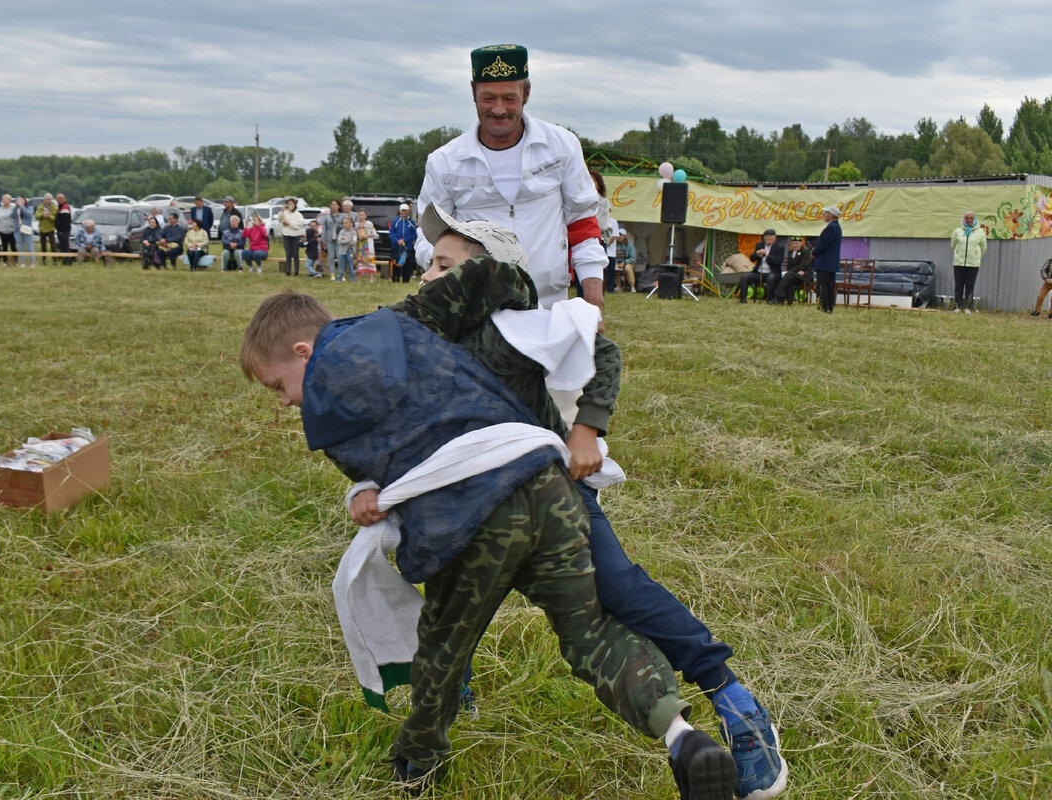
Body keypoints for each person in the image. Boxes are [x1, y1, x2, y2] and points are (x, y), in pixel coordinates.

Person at [240, 288, 737, 800]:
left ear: (305, 352)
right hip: (546, 484)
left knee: (441, 652)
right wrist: (365, 488)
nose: (285, 401)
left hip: (472, 516)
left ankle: (417, 764)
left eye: (278, 386)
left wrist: (366, 490)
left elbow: (393, 460)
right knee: (589, 629)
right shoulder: (409, 332)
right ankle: (680, 735)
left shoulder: (328, 388)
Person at [400, 206, 787, 800]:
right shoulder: (425, 335)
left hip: (553, 494)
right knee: (448, 605)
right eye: (431, 263)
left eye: (445, 265)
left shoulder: (520, 327)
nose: (430, 275)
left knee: (618, 589)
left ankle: (733, 699)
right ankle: (455, 695)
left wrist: (588, 429)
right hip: (472, 504)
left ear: (486, 276)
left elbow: (603, 355)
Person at [415, 44, 608, 313]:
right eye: (487, 98)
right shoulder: (444, 161)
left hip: (551, 304)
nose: (498, 109)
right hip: (476, 309)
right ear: (473, 93)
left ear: (526, 93)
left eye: (509, 98)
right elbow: (427, 234)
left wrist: (593, 300)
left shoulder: (562, 146)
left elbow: (583, 224)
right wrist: (448, 271)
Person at [950, 211, 987, 313]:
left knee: (970, 285)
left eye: (971, 218)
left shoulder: (980, 232)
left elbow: (983, 247)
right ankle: (958, 306)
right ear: (964, 219)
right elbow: (953, 245)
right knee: (959, 285)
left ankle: (967, 307)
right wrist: (959, 254)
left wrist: (976, 256)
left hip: (973, 264)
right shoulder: (957, 231)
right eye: (967, 218)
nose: (969, 220)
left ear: (974, 219)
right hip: (959, 263)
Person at [811, 205, 843, 313]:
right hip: (830, 263)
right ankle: (829, 306)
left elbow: (824, 244)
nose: (824, 215)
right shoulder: (836, 227)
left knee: (822, 286)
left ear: (831, 215)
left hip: (825, 262)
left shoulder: (831, 227)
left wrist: (814, 252)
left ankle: (823, 307)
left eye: (825, 213)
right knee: (829, 286)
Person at [739, 229, 783, 303]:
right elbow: (752, 258)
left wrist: (767, 255)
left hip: (772, 273)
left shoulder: (779, 247)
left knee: (771, 278)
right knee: (744, 277)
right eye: (766, 236)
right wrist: (757, 253)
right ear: (764, 237)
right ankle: (743, 299)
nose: (768, 238)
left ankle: (769, 299)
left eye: (770, 236)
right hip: (759, 272)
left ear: (775, 237)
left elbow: (778, 262)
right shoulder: (759, 245)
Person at [773, 237, 813, 305]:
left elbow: (803, 266)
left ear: (801, 243)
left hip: (804, 275)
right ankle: (787, 301)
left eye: (797, 243)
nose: (795, 245)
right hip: (794, 275)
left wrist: (790, 272)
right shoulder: (790, 252)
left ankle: (778, 297)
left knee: (788, 275)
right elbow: (789, 265)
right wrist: (790, 272)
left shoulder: (805, 251)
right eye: (793, 243)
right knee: (788, 278)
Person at [388, 203, 418, 283]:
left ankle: (406, 279)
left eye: (405, 210)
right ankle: (395, 278)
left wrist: (405, 240)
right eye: (402, 210)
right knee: (395, 262)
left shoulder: (411, 222)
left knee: (408, 263)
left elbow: (414, 234)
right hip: (396, 246)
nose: (404, 212)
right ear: (400, 211)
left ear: (408, 211)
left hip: (407, 247)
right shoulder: (395, 221)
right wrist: (397, 240)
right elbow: (391, 233)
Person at [279, 198, 305, 276]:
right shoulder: (285, 213)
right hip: (286, 235)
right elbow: (280, 219)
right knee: (288, 253)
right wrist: (282, 210)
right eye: (289, 204)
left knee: (295, 253)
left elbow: (298, 225)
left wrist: (289, 223)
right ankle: (288, 270)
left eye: (292, 204)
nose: (290, 206)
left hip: (296, 235)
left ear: (295, 205)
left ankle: (296, 271)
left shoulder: (299, 214)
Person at [0, 194, 20, 266]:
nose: (3, 201)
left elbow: (18, 219)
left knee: (13, 247)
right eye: (3, 199)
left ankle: (15, 261)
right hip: (2, 231)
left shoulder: (14, 209)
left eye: (5, 199)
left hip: (12, 231)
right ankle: (5, 261)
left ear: (9, 200)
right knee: (4, 247)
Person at [319, 200, 343, 276]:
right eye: (332, 204)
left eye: (335, 204)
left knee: (340, 256)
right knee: (331, 256)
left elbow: (345, 227)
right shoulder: (327, 216)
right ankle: (332, 273)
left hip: (339, 238)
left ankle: (340, 273)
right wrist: (323, 240)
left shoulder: (343, 216)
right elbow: (324, 229)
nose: (333, 206)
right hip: (329, 239)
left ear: (339, 206)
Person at [354, 209, 377, 281]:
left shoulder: (369, 224)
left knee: (371, 260)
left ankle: (371, 278)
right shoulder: (355, 225)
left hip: (368, 245)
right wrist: (357, 237)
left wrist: (367, 235)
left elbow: (375, 234)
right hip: (360, 245)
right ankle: (359, 278)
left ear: (365, 216)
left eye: (362, 215)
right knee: (360, 260)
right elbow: (353, 234)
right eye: (360, 214)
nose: (361, 216)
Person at [16, 195, 36, 267]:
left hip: (27, 229)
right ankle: (22, 262)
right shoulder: (16, 208)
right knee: (20, 246)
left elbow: (28, 214)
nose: (20, 201)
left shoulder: (30, 207)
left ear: (25, 200)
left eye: (21, 200)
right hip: (18, 229)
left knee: (30, 246)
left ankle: (32, 262)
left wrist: (21, 206)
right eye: (19, 200)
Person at [335, 216, 357, 282]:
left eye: (346, 223)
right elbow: (339, 241)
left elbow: (354, 242)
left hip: (350, 251)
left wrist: (345, 240)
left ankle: (353, 279)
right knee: (341, 265)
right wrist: (348, 240)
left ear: (350, 223)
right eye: (343, 223)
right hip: (341, 251)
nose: (345, 224)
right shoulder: (341, 232)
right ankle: (339, 278)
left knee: (350, 265)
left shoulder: (353, 232)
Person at [55, 194, 73, 265]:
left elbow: (65, 221)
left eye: (59, 199)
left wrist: (61, 230)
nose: (57, 201)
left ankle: (68, 260)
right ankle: (65, 260)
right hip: (61, 230)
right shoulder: (60, 207)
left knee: (65, 246)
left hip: (64, 231)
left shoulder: (65, 207)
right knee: (62, 246)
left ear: (62, 199)